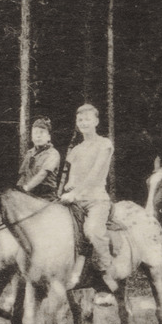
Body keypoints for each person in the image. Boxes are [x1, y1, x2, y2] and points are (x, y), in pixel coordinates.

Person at [59, 104, 117, 294]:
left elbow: (96, 173)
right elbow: (73, 176)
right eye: (80, 120)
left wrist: (75, 193)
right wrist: (69, 185)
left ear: (96, 121)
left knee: (92, 231)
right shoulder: (76, 150)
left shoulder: (105, 144)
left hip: (96, 200)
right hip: (75, 201)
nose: (84, 123)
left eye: (87, 119)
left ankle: (106, 274)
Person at [17, 116, 61, 200]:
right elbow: (23, 175)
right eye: (35, 133)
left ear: (49, 137)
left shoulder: (52, 153)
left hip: (45, 196)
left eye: (42, 132)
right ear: (32, 137)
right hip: (29, 195)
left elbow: (42, 174)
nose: (38, 136)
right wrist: (18, 191)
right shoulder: (29, 153)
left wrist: (26, 188)